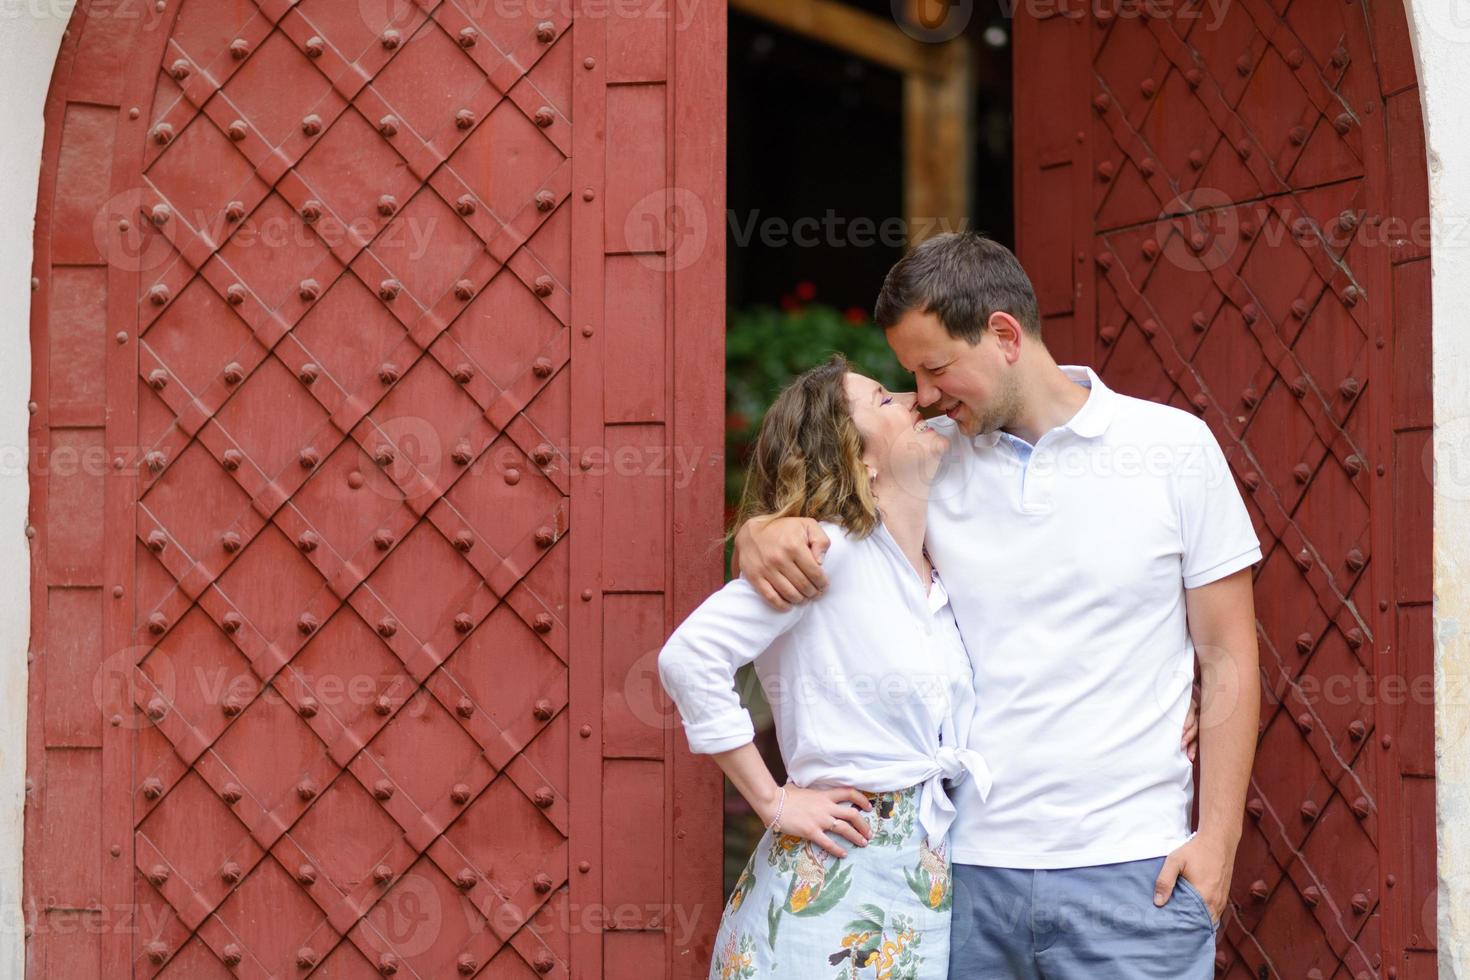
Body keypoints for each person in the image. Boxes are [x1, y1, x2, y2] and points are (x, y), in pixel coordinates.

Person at [733, 232, 1261, 978]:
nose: (922, 394)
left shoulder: (1174, 449)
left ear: (1005, 336)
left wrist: (1220, 841)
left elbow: (1229, 653)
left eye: (936, 367)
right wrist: (758, 534)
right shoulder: (924, 462)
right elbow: (813, 526)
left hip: (1133, 871)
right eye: (911, 375)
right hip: (964, 879)